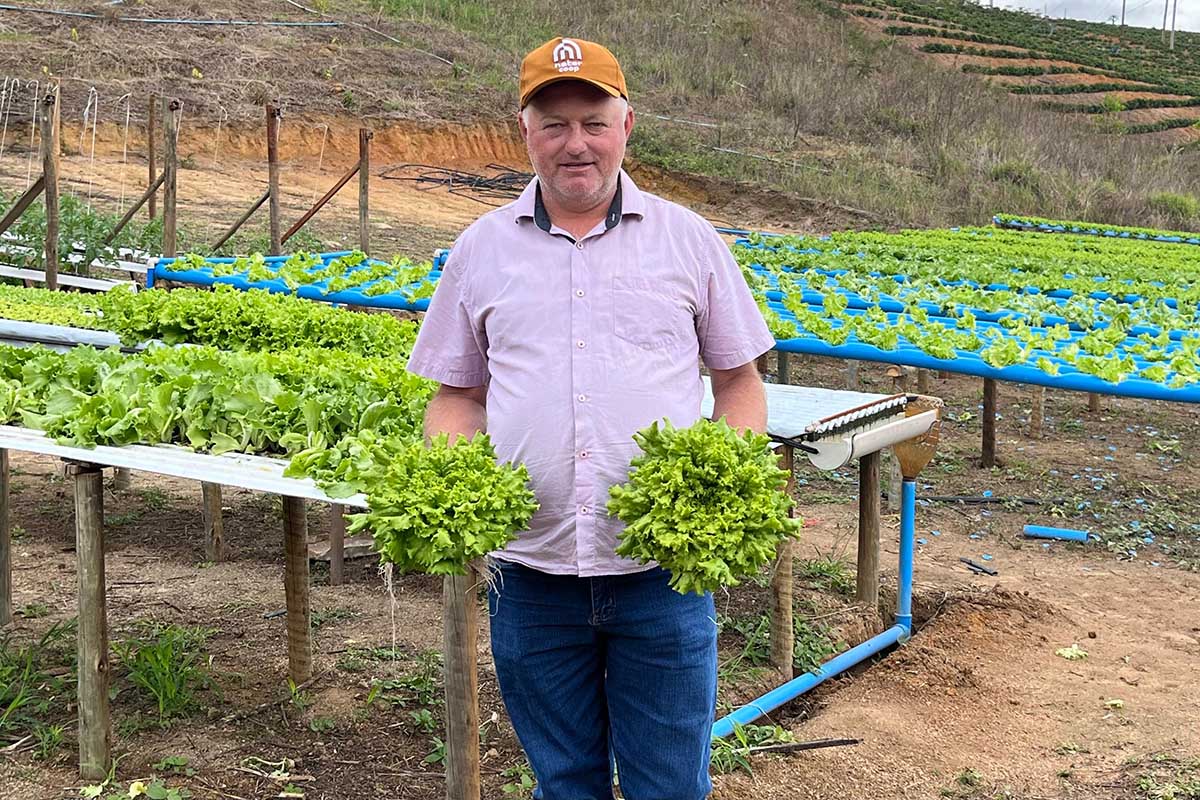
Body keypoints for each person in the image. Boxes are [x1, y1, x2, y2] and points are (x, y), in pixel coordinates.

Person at [406, 36, 774, 800]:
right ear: (525, 133)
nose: (576, 143)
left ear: (626, 126)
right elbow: (456, 396)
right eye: (555, 124)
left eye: (593, 122)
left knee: (669, 786)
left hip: (660, 579)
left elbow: (738, 382)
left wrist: (719, 488)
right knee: (564, 783)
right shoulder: (480, 250)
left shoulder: (689, 240)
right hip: (532, 578)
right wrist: (453, 477)